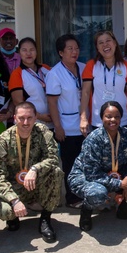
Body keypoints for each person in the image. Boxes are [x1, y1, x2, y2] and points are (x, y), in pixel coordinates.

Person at [69, 100, 127, 231]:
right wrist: (120, 185)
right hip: (87, 177)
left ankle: (125, 209)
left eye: (117, 117)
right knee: (97, 194)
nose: (113, 120)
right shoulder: (94, 138)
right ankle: (86, 211)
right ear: (102, 118)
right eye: (108, 116)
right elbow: (92, 174)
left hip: (118, 174)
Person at [0, 101, 62, 242]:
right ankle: (13, 216)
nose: (25, 122)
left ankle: (45, 219)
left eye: (29, 118)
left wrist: (35, 169)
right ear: (15, 118)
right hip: (13, 187)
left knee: (56, 172)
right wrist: (14, 200)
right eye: (21, 118)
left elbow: (53, 158)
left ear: (35, 118)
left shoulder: (42, 132)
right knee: (5, 211)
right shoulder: (4, 140)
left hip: (34, 183)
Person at [46, 33, 86, 206]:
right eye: (69, 49)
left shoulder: (84, 68)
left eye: (76, 48)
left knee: (85, 162)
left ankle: (85, 193)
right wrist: (57, 127)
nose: (74, 52)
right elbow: (52, 102)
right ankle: (72, 197)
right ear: (61, 52)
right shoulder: (55, 74)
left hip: (85, 125)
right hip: (67, 127)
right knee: (70, 164)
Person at [80, 30, 127, 135]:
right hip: (98, 121)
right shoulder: (91, 65)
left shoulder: (126, 66)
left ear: (115, 43)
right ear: (97, 47)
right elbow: (86, 92)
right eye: (100, 43)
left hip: (122, 120)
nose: (105, 45)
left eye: (108, 41)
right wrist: (83, 118)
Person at [9, 37, 53, 128]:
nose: (28, 53)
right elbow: (18, 101)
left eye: (32, 50)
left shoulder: (46, 69)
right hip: (29, 123)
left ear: (36, 52)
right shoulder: (17, 73)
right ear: (19, 53)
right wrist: (39, 116)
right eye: (24, 50)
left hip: (52, 122)